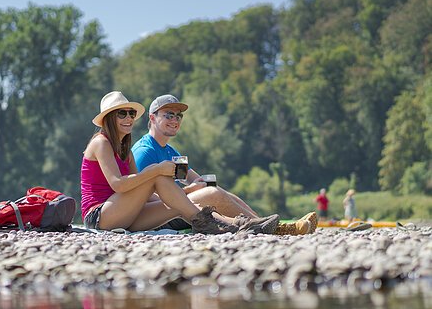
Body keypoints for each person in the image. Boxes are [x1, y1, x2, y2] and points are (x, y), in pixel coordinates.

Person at [80, 91, 279, 235]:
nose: (129, 118)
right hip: (100, 215)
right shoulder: (114, 145)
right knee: (205, 192)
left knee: (189, 201)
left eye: (131, 113)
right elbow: (120, 184)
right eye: (121, 114)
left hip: (127, 213)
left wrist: (191, 189)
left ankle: (244, 225)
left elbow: (190, 179)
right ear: (153, 118)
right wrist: (162, 174)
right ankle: (244, 224)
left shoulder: (164, 151)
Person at [132, 94, 317, 235]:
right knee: (213, 193)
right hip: (159, 216)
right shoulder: (144, 151)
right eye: (168, 115)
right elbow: (143, 198)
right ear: (152, 117)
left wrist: (205, 184)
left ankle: (269, 224)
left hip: (179, 207)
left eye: (178, 116)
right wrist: (190, 192)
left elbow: (195, 179)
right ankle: (277, 229)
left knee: (218, 190)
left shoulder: (171, 152)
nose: (174, 120)